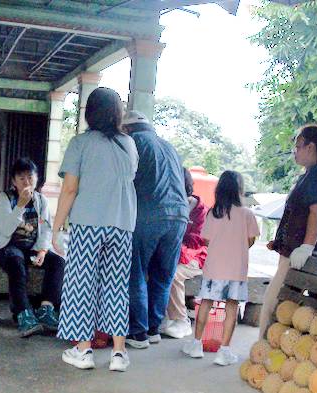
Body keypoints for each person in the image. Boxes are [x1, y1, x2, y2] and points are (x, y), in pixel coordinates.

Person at [53, 87, 139, 372]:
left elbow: (70, 188)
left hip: (88, 224)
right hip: (122, 225)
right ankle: (118, 353)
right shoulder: (129, 144)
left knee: (81, 285)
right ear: (117, 114)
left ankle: (83, 350)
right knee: (116, 287)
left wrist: (55, 227)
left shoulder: (81, 143)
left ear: (90, 112)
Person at [259, 124, 317, 339]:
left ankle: (264, 346)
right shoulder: (309, 174)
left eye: (298, 146)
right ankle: (265, 347)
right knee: (277, 303)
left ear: (310, 147)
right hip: (292, 251)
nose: (295, 151)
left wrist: (307, 246)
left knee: (273, 303)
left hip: (303, 254)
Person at [122, 110, 189, 349]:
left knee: (136, 272)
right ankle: (152, 329)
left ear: (127, 129)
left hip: (150, 214)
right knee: (163, 275)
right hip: (180, 216)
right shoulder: (170, 147)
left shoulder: (133, 143)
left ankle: (138, 332)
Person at [182, 170, 259, 365]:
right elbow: (250, 240)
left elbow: (205, 240)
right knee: (231, 307)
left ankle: (197, 344)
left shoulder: (213, 212)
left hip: (214, 268)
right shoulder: (247, 214)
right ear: (239, 189)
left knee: (206, 303)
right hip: (237, 269)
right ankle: (224, 351)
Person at [0, 157, 65, 337]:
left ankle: (46, 309)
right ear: (14, 181)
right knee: (16, 261)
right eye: (21, 178)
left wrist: (42, 250)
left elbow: (45, 229)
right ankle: (23, 313)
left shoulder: (41, 200)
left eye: (30, 177)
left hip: (29, 245)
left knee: (58, 262)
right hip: (3, 244)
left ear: (37, 178)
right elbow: (5, 230)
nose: (27, 182)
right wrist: (20, 205)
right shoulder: (4, 199)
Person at [162, 168, 208, 339]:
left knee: (172, 274)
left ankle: (181, 320)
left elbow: (198, 241)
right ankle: (161, 318)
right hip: (173, 254)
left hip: (196, 257)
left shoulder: (201, 210)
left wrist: (174, 244)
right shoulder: (169, 205)